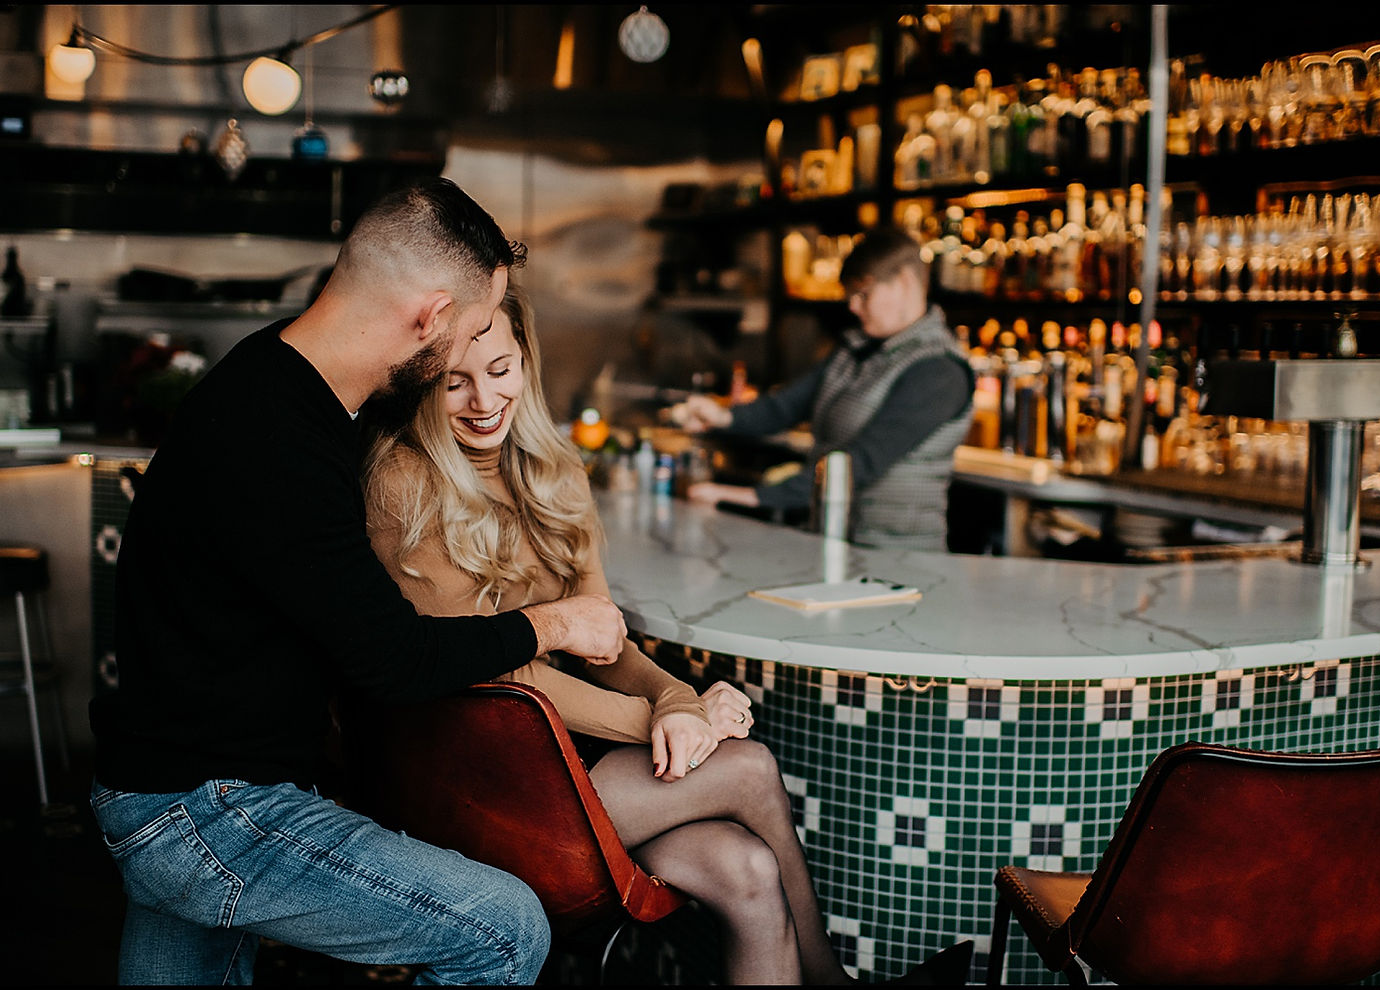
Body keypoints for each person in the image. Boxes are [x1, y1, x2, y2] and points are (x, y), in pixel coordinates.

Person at [88, 178, 631, 986]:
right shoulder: (277, 443)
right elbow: (394, 661)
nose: (474, 360)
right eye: (474, 330)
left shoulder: (289, 381)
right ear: (430, 317)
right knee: (503, 930)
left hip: (168, 782)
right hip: (209, 810)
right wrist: (555, 624)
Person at [361, 284, 976, 986]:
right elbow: (494, 672)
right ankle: (832, 982)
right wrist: (665, 721)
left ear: (526, 363)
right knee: (745, 767)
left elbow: (605, 640)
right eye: (454, 383)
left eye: (500, 371)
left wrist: (678, 700)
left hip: (569, 761)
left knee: (745, 867)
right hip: (478, 787)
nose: (483, 401)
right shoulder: (404, 479)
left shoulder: (553, 473)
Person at [674, 227, 975, 553]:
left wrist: (752, 497)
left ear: (903, 282)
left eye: (863, 294)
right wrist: (722, 417)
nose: (853, 307)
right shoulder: (854, 349)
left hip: (896, 556)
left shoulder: (939, 369)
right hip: (832, 540)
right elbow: (785, 406)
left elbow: (861, 461)